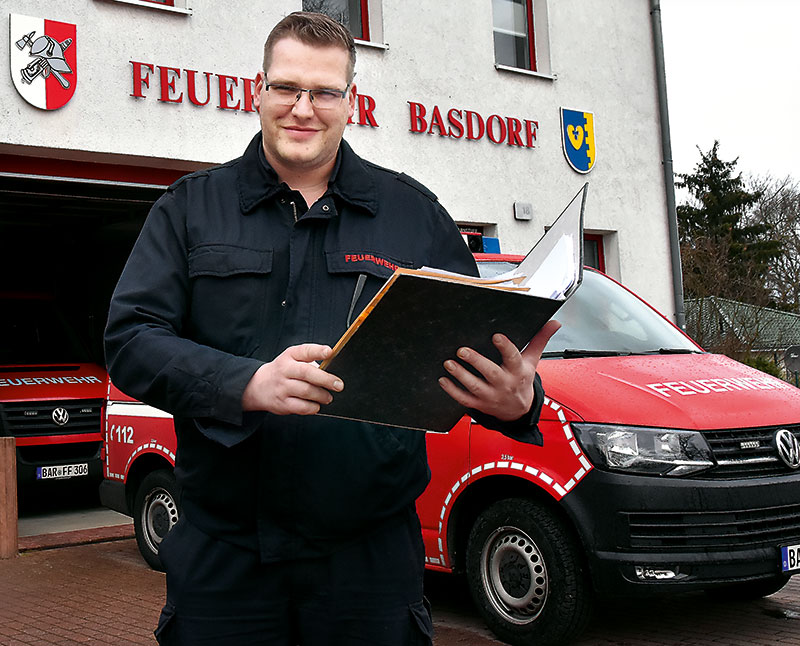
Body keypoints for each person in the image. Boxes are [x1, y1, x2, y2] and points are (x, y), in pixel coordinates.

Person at [104, 11, 559, 646]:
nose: (302, 108)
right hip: (225, 561)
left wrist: (518, 403)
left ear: (351, 101)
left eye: (323, 92)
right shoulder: (188, 210)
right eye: (286, 88)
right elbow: (129, 342)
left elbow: (477, 349)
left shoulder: (414, 217)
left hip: (368, 567)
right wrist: (248, 384)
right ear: (256, 90)